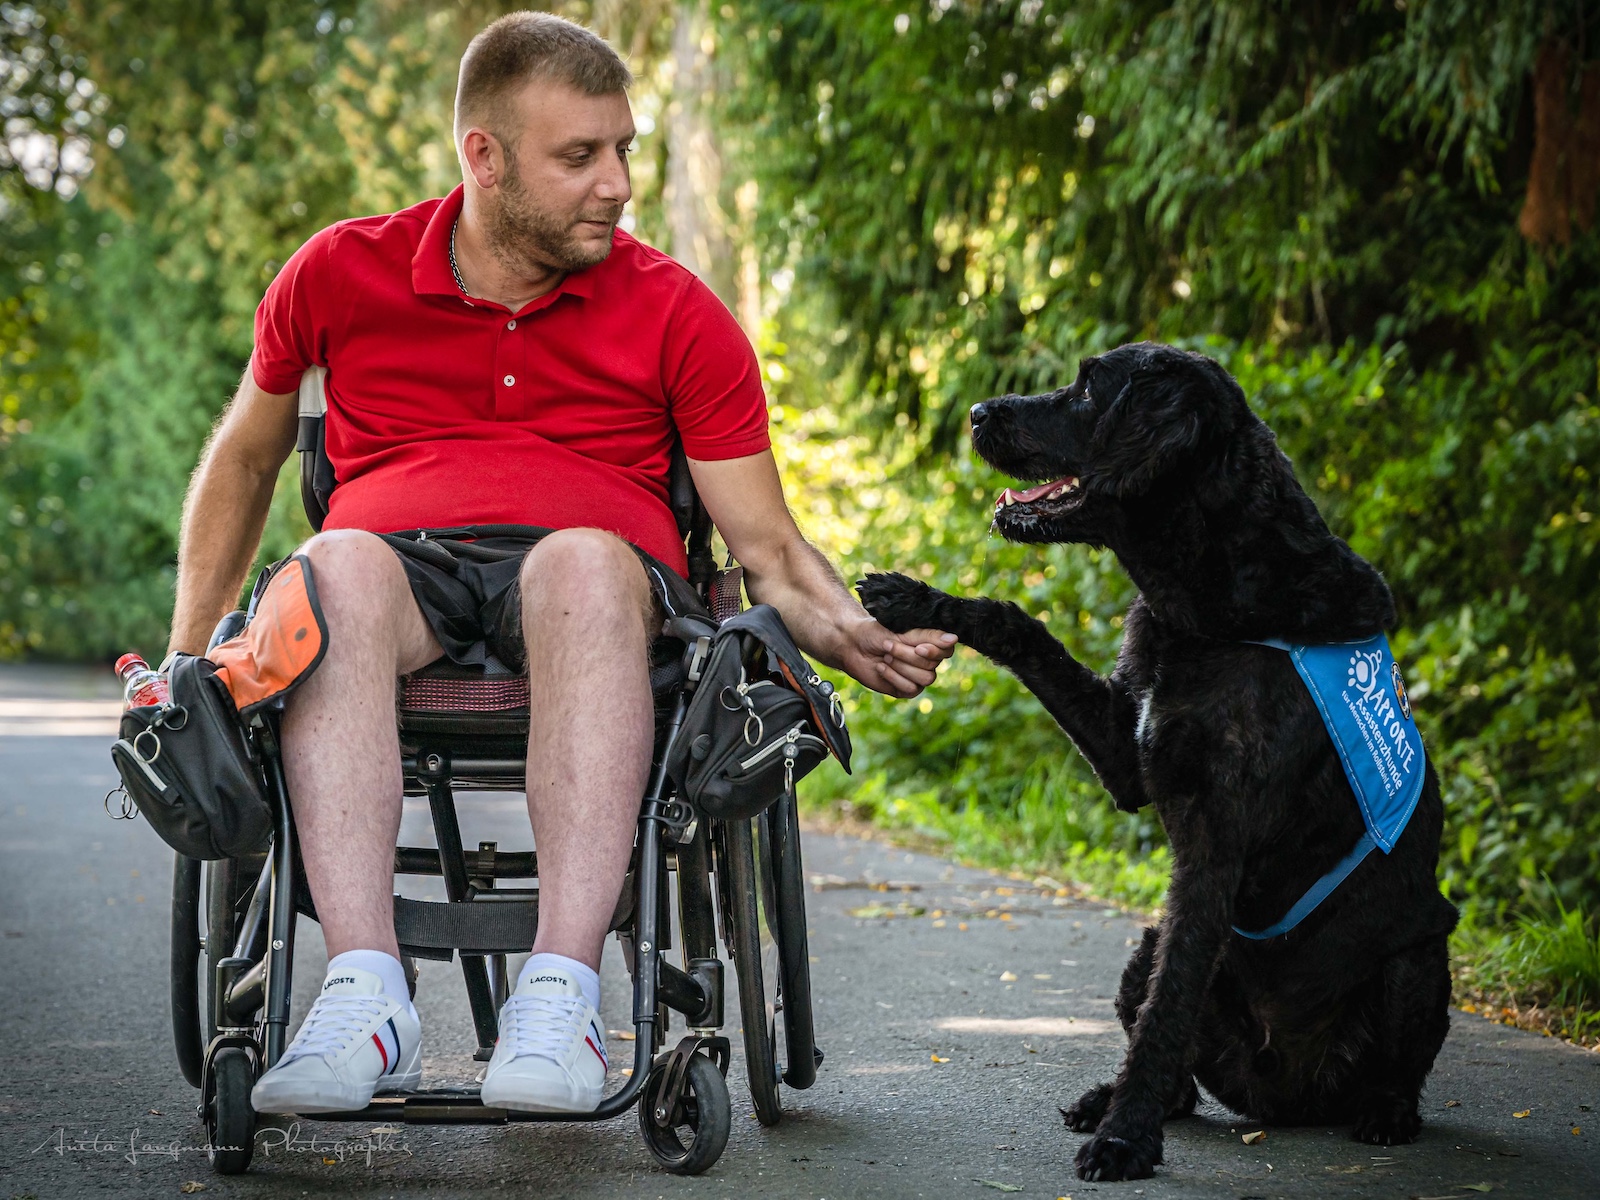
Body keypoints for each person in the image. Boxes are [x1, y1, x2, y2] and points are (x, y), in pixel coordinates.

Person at [166, 11, 955, 1117]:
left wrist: (844, 631)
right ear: (482, 157)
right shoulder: (341, 272)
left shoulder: (675, 310)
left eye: (624, 148)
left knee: (582, 564)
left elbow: (767, 545)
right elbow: (246, 461)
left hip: (595, 585)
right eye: (579, 156)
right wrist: (182, 655)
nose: (617, 182)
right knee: (333, 564)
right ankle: (365, 994)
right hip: (396, 571)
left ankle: (563, 992)